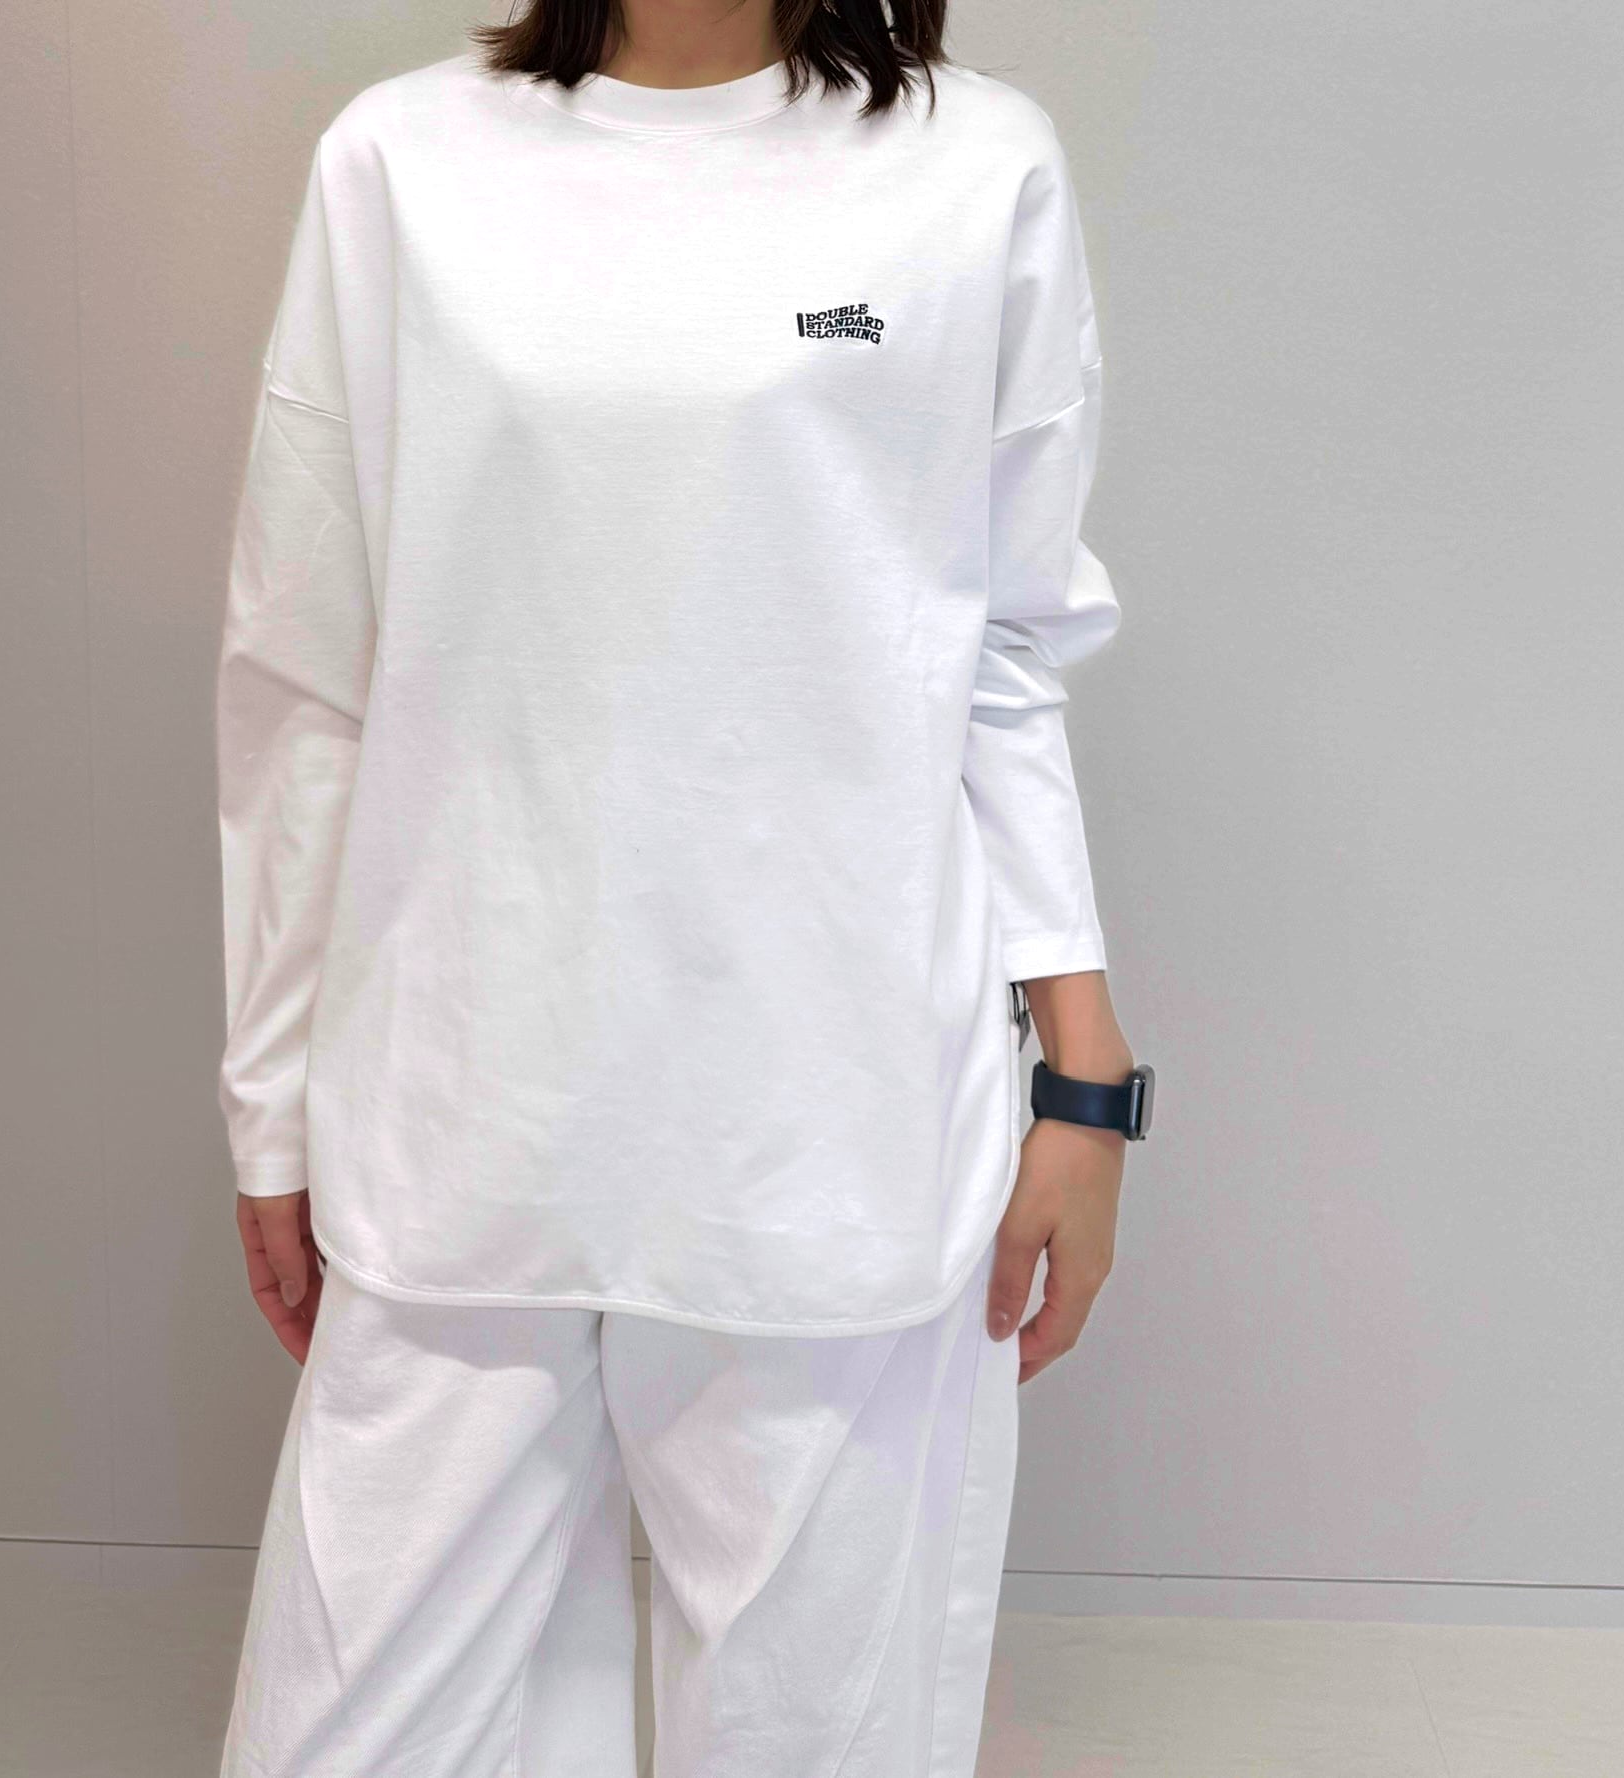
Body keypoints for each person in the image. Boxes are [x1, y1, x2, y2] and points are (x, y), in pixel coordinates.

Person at [212, 0, 1148, 1771]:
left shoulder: (974, 167)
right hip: (463, 1104)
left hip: (839, 1120)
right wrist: (270, 1105)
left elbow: (1005, 651)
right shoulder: (402, 164)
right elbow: (303, 671)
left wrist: (1084, 1083)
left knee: (818, 1736)